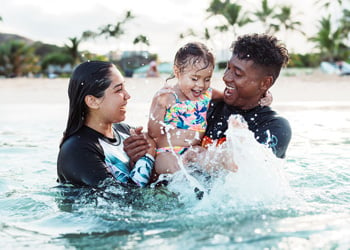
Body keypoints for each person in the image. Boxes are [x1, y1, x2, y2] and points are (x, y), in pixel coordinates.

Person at [147, 42, 272, 177]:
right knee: (177, 172)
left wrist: (262, 94)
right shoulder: (166, 96)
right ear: (177, 72)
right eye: (194, 79)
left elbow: (230, 96)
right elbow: (153, 133)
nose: (200, 85)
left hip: (193, 149)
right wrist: (159, 106)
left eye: (207, 79)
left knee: (207, 156)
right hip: (167, 152)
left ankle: (225, 159)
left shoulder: (207, 94)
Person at [57, 61, 156, 188]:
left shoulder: (125, 132)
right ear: (92, 101)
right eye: (119, 89)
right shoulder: (77, 150)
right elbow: (124, 200)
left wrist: (140, 158)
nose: (127, 96)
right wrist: (148, 158)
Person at [201, 33, 291, 159]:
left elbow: (250, 168)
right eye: (228, 68)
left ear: (265, 83)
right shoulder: (208, 106)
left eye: (237, 74)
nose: (225, 77)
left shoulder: (274, 127)